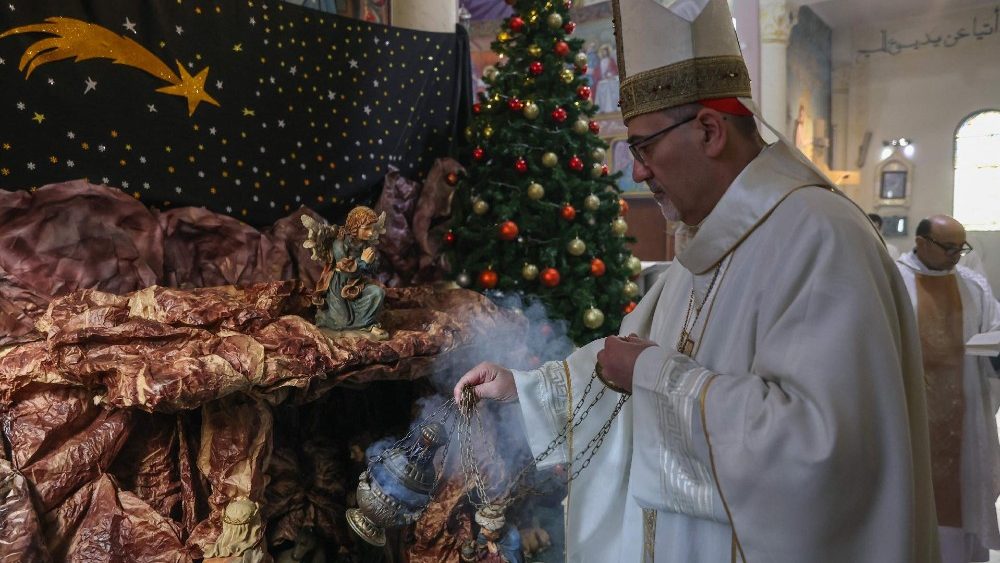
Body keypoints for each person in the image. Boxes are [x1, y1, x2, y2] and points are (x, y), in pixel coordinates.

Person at [454, 0, 937, 561]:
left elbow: (825, 449)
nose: (636, 170)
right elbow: (623, 361)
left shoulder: (820, 237)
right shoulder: (706, 246)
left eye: (644, 146)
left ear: (709, 130)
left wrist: (654, 375)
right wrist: (526, 389)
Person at [896, 215, 1000, 563]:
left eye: (961, 247)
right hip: (910, 411)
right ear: (921, 241)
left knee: (964, 495)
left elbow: (994, 332)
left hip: (964, 414)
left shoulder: (972, 286)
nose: (958, 255)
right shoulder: (895, 281)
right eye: (949, 247)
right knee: (911, 494)